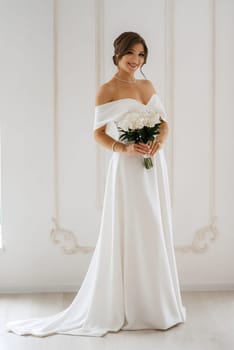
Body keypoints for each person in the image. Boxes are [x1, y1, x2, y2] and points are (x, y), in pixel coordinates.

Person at [6, 31, 186, 337]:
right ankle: (130, 306)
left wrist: (160, 141)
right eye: (131, 53)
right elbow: (98, 133)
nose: (136, 60)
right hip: (128, 168)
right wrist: (125, 148)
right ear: (117, 53)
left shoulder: (147, 84)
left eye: (142, 55)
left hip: (154, 166)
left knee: (154, 227)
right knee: (132, 229)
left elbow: (164, 122)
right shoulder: (107, 90)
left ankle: (158, 305)